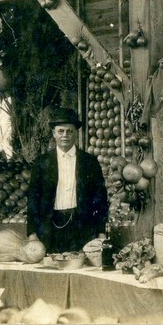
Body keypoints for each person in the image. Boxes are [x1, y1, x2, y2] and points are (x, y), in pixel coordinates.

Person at [27, 107, 108, 253]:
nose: (65, 135)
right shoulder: (41, 163)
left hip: (82, 229)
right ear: (54, 133)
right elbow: (33, 198)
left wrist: (101, 231)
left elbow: (100, 198)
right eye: (61, 131)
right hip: (50, 230)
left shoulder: (90, 162)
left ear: (76, 133)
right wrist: (32, 233)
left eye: (69, 131)